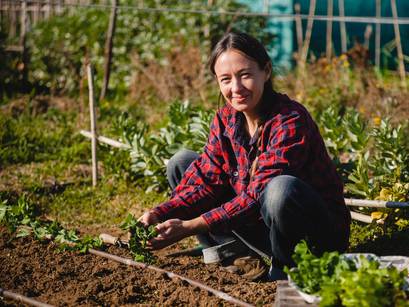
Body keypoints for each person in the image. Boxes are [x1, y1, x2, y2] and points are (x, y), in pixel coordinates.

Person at [138, 31, 351, 280]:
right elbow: (206, 182)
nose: (236, 88)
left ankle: (287, 268)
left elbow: (257, 196)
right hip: (262, 226)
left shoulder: (289, 120)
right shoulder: (225, 120)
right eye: (225, 79)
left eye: (245, 75)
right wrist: (159, 213)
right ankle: (234, 253)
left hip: (313, 236)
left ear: (267, 72)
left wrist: (189, 227)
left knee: (279, 188)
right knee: (182, 163)